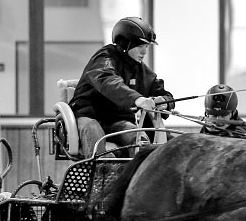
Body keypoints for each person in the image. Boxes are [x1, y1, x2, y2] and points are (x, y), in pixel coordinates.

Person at [69, 16, 175, 157]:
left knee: (139, 139)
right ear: (126, 43)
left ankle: (137, 177)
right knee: (94, 132)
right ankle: (101, 174)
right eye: (140, 46)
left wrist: (165, 102)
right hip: (88, 116)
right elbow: (108, 81)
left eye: (146, 46)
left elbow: (162, 92)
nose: (144, 51)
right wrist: (137, 99)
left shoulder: (140, 69)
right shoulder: (104, 58)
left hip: (117, 122)